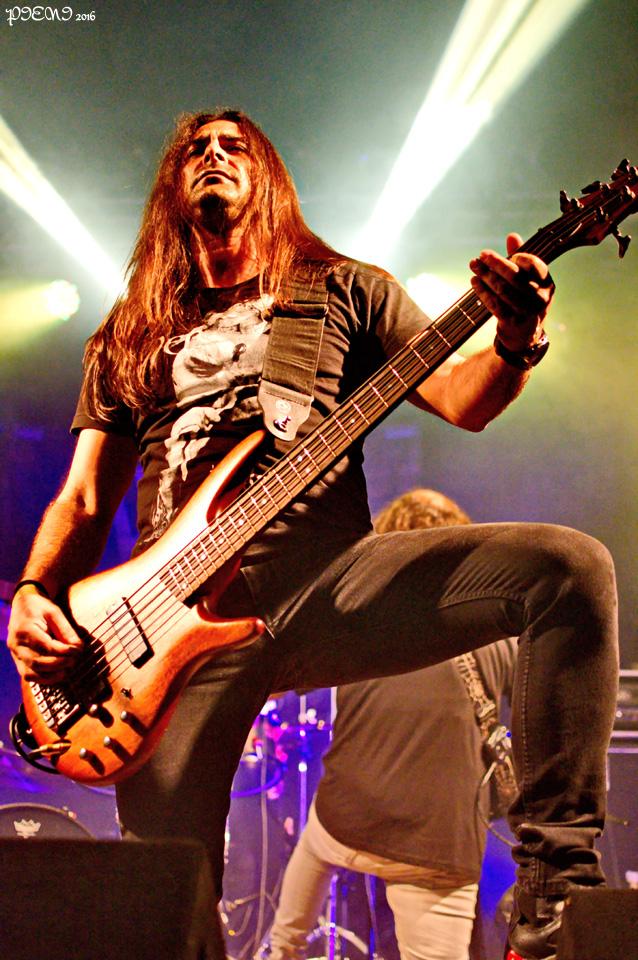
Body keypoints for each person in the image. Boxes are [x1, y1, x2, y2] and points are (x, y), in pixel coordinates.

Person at [7, 109, 618, 960]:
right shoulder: (128, 333)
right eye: (194, 148)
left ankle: (554, 891)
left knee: (568, 567)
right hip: (165, 632)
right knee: (166, 890)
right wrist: (34, 592)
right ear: (170, 188)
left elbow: (461, 397)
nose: (213, 154)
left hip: (328, 577)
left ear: (268, 179)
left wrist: (516, 340)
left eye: (234, 146)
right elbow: (81, 501)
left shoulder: (343, 291)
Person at [267, 488, 517, 960]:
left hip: (345, 820)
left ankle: (282, 948)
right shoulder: (495, 628)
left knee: (288, 935)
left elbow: (268, 682)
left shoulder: (352, 619)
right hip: (438, 845)